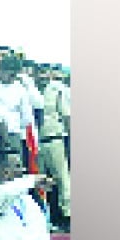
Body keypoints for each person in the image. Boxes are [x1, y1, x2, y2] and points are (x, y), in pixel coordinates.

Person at [39, 65, 71, 231]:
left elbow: (67, 116)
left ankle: (68, 216)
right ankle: (50, 217)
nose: (43, 75)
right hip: (37, 142)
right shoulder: (32, 88)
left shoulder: (58, 89)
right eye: (40, 71)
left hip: (56, 138)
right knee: (43, 182)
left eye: (46, 71)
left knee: (63, 179)